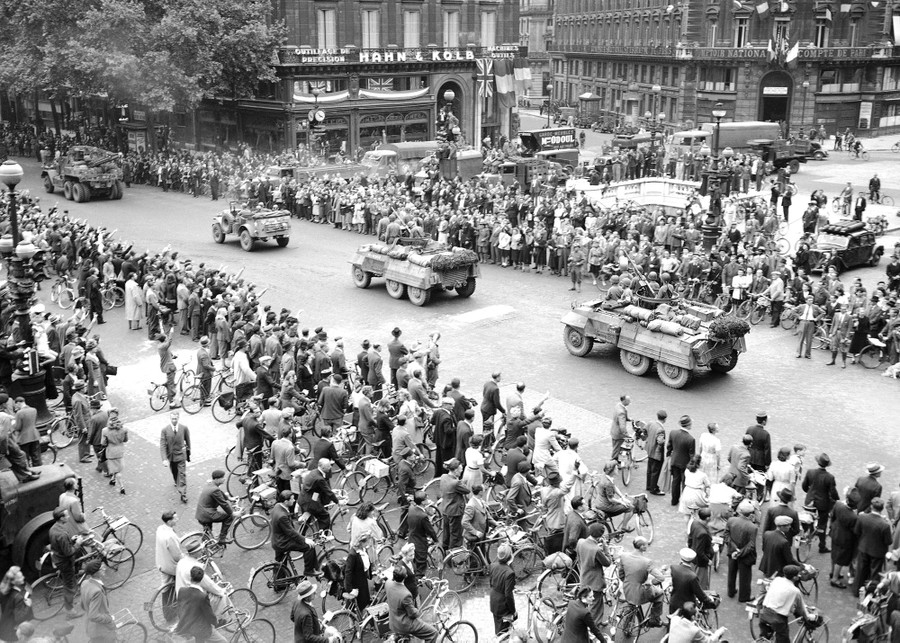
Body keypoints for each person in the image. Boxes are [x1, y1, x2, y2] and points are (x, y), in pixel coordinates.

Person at [759, 565, 818, 643]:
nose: (799, 575)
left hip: (764, 614)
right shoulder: (795, 591)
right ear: (794, 577)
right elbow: (801, 608)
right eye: (798, 574)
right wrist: (808, 617)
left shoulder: (777, 580)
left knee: (764, 638)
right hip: (778, 620)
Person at [272, 491, 320, 579]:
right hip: (283, 542)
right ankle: (309, 570)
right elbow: (291, 532)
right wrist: (305, 539)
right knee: (309, 547)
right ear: (286, 502)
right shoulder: (282, 516)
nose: (294, 501)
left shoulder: (277, 506)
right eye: (292, 499)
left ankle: (279, 584)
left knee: (280, 563)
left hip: (276, 540)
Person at [175, 566, 228, 643]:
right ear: (202, 578)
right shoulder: (202, 596)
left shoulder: (182, 590)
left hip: (186, 626)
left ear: (191, 577)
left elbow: (180, 608)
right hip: (201, 629)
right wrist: (216, 623)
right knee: (223, 641)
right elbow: (209, 615)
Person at [385, 565, 437, 643]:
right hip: (404, 624)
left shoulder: (388, 583)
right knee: (433, 633)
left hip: (393, 620)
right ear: (405, 576)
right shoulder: (405, 594)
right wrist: (418, 611)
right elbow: (412, 614)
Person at [576, 522, 612, 629]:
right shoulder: (596, 550)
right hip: (595, 582)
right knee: (595, 605)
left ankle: (598, 621)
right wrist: (605, 548)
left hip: (584, 577)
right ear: (600, 536)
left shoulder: (581, 542)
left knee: (597, 603)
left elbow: (579, 557)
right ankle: (593, 628)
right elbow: (608, 562)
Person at [801, 453, 839, 554]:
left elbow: (804, 486)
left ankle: (807, 532)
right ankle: (822, 546)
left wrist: (809, 493)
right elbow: (833, 492)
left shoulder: (810, 472)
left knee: (807, 518)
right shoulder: (829, 477)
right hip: (823, 503)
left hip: (810, 501)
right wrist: (836, 499)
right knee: (822, 524)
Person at [49, 508, 82, 619]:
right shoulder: (62, 533)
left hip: (57, 558)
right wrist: (77, 544)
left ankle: (70, 602)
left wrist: (71, 540)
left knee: (70, 582)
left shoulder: (54, 528)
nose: (68, 517)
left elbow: (60, 544)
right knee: (69, 587)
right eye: (66, 515)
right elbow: (69, 553)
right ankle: (70, 611)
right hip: (65, 563)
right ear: (61, 518)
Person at [854, 498, 892, 593]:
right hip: (877, 552)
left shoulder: (862, 517)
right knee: (874, 574)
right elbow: (888, 541)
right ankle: (870, 593)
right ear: (881, 509)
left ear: (871, 506)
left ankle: (856, 590)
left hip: (863, 547)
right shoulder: (885, 525)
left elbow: (856, 531)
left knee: (861, 571)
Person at [725, 500, 759, 602]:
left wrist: (734, 549)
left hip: (732, 552)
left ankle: (731, 591)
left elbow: (726, 536)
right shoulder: (752, 527)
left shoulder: (731, 520)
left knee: (731, 572)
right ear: (751, 514)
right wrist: (740, 552)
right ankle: (744, 597)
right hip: (745, 555)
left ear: (739, 511)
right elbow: (751, 545)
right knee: (745, 577)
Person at [669, 548, 716, 615]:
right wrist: (710, 602)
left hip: (674, 602)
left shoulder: (673, 568)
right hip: (687, 607)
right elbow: (700, 594)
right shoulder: (692, 576)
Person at [829, 488, 859, 588]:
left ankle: (833, 572)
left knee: (834, 554)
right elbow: (855, 531)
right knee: (840, 559)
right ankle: (835, 579)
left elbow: (832, 517)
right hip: (845, 539)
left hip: (835, 533)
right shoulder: (853, 517)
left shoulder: (838, 504)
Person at [299, 458, 340, 531]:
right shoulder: (320, 478)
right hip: (310, 502)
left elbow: (320, 487)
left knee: (307, 520)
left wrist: (332, 491)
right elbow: (328, 492)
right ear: (323, 467)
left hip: (303, 498)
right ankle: (322, 537)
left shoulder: (314, 472)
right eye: (328, 466)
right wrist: (338, 501)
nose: (330, 467)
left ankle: (301, 534)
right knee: (325, 517)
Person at [195, 470, 234, 545]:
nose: (224, 479)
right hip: (207, 514)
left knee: (207, 533)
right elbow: (224, 504)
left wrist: (229, 499)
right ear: (216, 479)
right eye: (222, 477)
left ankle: (205, 545)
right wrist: (232, 513)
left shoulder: (210, 485)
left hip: (201, 513)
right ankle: (222, 538)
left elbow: (220, 493)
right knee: (229, 516)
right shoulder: (215, 489)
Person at [160, 410, 191, 504]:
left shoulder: (184, 428)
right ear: (170, 418)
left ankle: (183, 493)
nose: (174, 420)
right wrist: (164, 459)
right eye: (172, 418)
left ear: (178, 418)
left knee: (182, 474)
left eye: (175, 418)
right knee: (174, 472)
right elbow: (163, 445)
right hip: (171, 456)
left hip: (181, 455)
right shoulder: (165, 430)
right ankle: (176, 481)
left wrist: (188, 454)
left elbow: (188, 441)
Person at [407, 491, 438, 578]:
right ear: (423, 502)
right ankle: (417, 583)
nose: (428, 499)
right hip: (420, 542)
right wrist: (436, 541)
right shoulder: (423, 516)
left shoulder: (411, 508)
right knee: (421, 567)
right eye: (426, 498)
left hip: (411, 538)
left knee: (414, 562)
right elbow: (430, 530)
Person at [667, 415, 697, 507]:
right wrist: (693, 467)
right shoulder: (690, 439)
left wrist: (668, 456)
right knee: (684, 483)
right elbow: (692, 455)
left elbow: (669, 446)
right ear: (687, 425)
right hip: (685, 464)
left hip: (675, 461)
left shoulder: (673, 433)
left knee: (675, 482)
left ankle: (674, 500)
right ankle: (684, 503)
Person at [488, 544, 516, 635]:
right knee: (503, 631)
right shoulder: (510, 573)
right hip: (503, 605)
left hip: (493, 600)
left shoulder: (492, 565)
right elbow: (508, 595)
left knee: (497, 625)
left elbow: (491, 582)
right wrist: (513, 610)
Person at [0, 566, 33, 642]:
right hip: (13, 627)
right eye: (20, 577)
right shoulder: (18, 597)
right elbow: (20, 618)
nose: (23, 578)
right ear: (14, 582)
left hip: (4, 622)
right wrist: (28, 606)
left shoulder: (3, 589)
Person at [343, 532, 373, 612]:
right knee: (356, 604)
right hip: (356, 582)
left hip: (362, 579)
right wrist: (350, 589)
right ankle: (353, 620)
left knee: (363, 600)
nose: (369, 543)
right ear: (362, 542)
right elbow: (348, 572)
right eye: (368, 541)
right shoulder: (353, 554)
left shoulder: (363, 549)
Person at [101, 410, 127, 494]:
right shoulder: (124, 429)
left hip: (111, 452)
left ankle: (121, 487)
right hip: (120, 451)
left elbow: (103, 443)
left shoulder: (105, 431)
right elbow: (126, 440)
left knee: (117, 471)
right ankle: (113, 479)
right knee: (118, 468)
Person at [644, 410, 667, 496]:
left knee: (649, 470)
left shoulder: (651, 423)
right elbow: (660, 441)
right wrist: (663, 441)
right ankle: (653, 489)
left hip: (649, 450)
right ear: (664, 419)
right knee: (655, 471)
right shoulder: (660, 429)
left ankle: (649, 485)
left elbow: (645, 430)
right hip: (657, 453)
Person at [795, 294, 823, 359]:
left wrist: (817, 318)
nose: (811, 302)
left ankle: (808, 354)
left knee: (809, 339)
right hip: (803, 322)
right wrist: (798, 317)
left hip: (811, 323)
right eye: (809, 300)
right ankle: (798, 353)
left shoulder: (815, 307)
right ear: (806, 301)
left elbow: (823, 312)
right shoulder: (802, 306)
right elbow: (793, 311)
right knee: (801, 338)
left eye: (812, 300)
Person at [610, 394, 631, 461]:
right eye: (628, 401)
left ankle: (617, 461)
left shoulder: (618, 405)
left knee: (615, 447)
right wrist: (627, 435)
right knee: (617, 450)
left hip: (614, 431)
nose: (629, 402)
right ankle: (613, 464)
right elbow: (622, 426)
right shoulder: (621, 412)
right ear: (624, 401)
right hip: (619, 434)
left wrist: (628, 419)